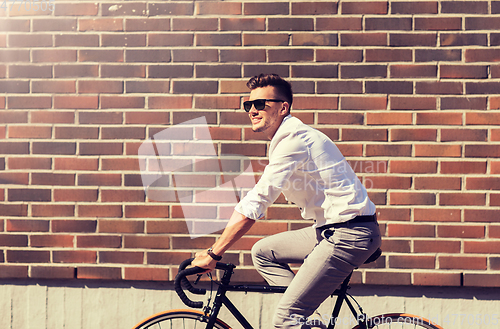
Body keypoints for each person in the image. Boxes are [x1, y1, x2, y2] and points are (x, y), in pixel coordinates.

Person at [192, 73, 381, 329]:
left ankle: (296, 321)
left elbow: (257, 201)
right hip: (332, 230)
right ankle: (308, 324)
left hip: (349, 234)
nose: (252, 110)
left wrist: (215, 253)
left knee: (285, 319)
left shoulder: (294, 139)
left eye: (261, 104)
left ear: (283, 107)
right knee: (263, 252)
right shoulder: (285, 139)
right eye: (248, 105)